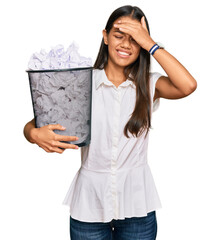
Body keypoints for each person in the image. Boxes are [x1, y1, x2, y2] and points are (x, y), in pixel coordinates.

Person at [23, 5, 197, 240]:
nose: (126, 44)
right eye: (118, 35)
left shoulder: (147, 84)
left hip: (137, 205)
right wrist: (33, 134)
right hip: (89, 207)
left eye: (134, 39)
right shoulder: (82, 82)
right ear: (105, 37)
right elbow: (35, 124)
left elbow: (188, 85)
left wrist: (151, 44)